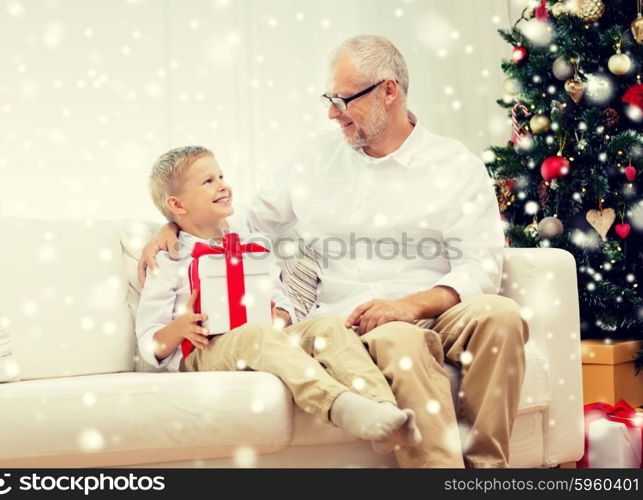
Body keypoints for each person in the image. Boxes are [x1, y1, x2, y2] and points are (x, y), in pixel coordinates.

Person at [139, 35, 529, 468]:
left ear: (388, 91)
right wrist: (172, 224)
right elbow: (243, 222)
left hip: (435, 305)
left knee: (502, 315)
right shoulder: (314, 158)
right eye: (329, 98)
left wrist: (410, 305)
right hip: (354, 319)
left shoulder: (455, 165)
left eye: (342, 99)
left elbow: (481, 266)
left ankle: (488, 471)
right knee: (402, 338)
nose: (331, 113)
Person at [136, 145, 421, 455]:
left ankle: (382, 411)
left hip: (261, 336)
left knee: (329, 325)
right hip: (204, 353)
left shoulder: (252, 245)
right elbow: (149, 342)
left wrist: (279, 317)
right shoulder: (168, 259)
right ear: (177, 204)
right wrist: (179, 328)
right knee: (254, 335)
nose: (222, 185)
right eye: (208, 182)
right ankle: (338, 405)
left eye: (221, 176)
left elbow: (281, 299)